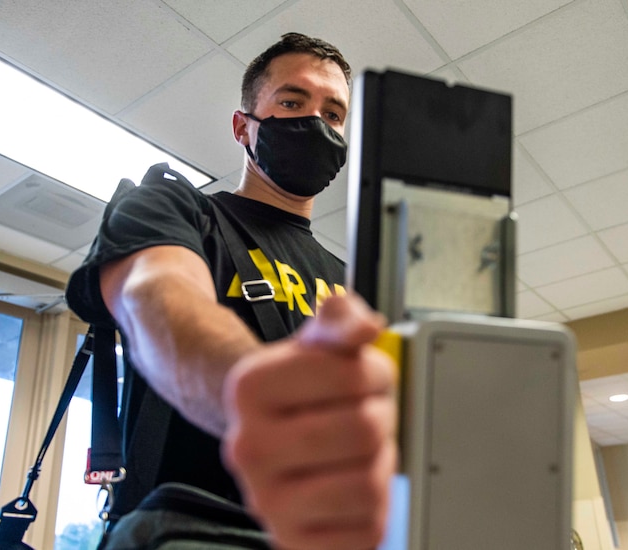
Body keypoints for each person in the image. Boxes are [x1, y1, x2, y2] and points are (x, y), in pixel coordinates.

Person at [65, 32, 397, 550]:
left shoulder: (356, 286)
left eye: (333, 115)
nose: (316, 123)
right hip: (191, 530)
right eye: (292, 101)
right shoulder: (175, 208)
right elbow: (158, 295)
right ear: (244, 127)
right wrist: (251, 393)